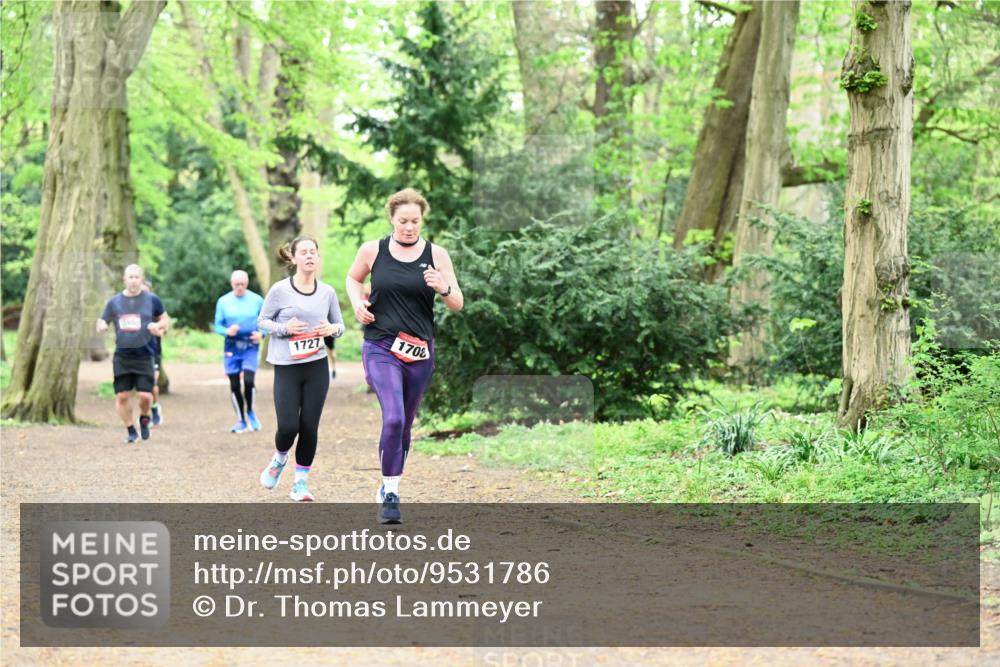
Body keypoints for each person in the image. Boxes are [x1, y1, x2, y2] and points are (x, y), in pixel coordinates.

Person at [346, 188, 464, 523]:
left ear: (422, 220)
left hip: (420, 350)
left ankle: (388, 485)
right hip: (381, 345)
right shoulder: (373, 250)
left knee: (406, 424)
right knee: (394, 417)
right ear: (392, 219)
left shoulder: (437, 254)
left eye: (415, 221)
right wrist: (357, 303)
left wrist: (442, 287)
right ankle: (391, 492)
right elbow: (353, 279)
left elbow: (458, 303)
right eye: (403, 221)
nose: (409, 227)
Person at [257, 236, 345, 502]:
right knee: (288, 426)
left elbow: (340, 326)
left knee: (309, 426)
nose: (309, 256)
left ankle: (300, 484)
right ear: (293, 258)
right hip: (287, 366)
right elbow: (261, 321)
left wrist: (332, 330)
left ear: (318, 258)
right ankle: (279, 458)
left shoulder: (327, 292)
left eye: (313, 252)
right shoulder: (279, 290)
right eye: (304, 252)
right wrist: (284, 328)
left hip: (316, 365)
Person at [96, 264, 170, 443]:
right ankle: (130, 429)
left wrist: (158, 326)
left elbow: (165, 319)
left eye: (137, 277)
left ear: (141, 279)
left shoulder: (152, 300)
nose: (134, 280)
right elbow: (102, 319)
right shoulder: (114, 302)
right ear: (125, 279)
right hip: (122, 356)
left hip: (145, 355)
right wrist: (101, 325)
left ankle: (144, 418)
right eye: (131, 277)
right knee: (122, 396)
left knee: (145, 396)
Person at [214, 270, 265, 433]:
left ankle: (250, 411)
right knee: (234, 384)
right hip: (231, 346)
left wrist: (262, 334)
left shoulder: (257, 300)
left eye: (243, 284)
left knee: (249, 381)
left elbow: (266, 322)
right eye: (237, 284)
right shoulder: (223, 301)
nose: (240, 287)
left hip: (250, 345)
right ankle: (241, 419)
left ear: (247, 283)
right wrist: (227, 331)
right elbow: (217, 326)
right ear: (231, 284)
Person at [141, 279, 164, 426]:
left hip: (153, 351)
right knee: (141, 388)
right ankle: (146, 413)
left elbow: (163, 328)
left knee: (151, 384)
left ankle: (154, 408)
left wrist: (156, 328)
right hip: (135, 353)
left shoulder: (155, 307)